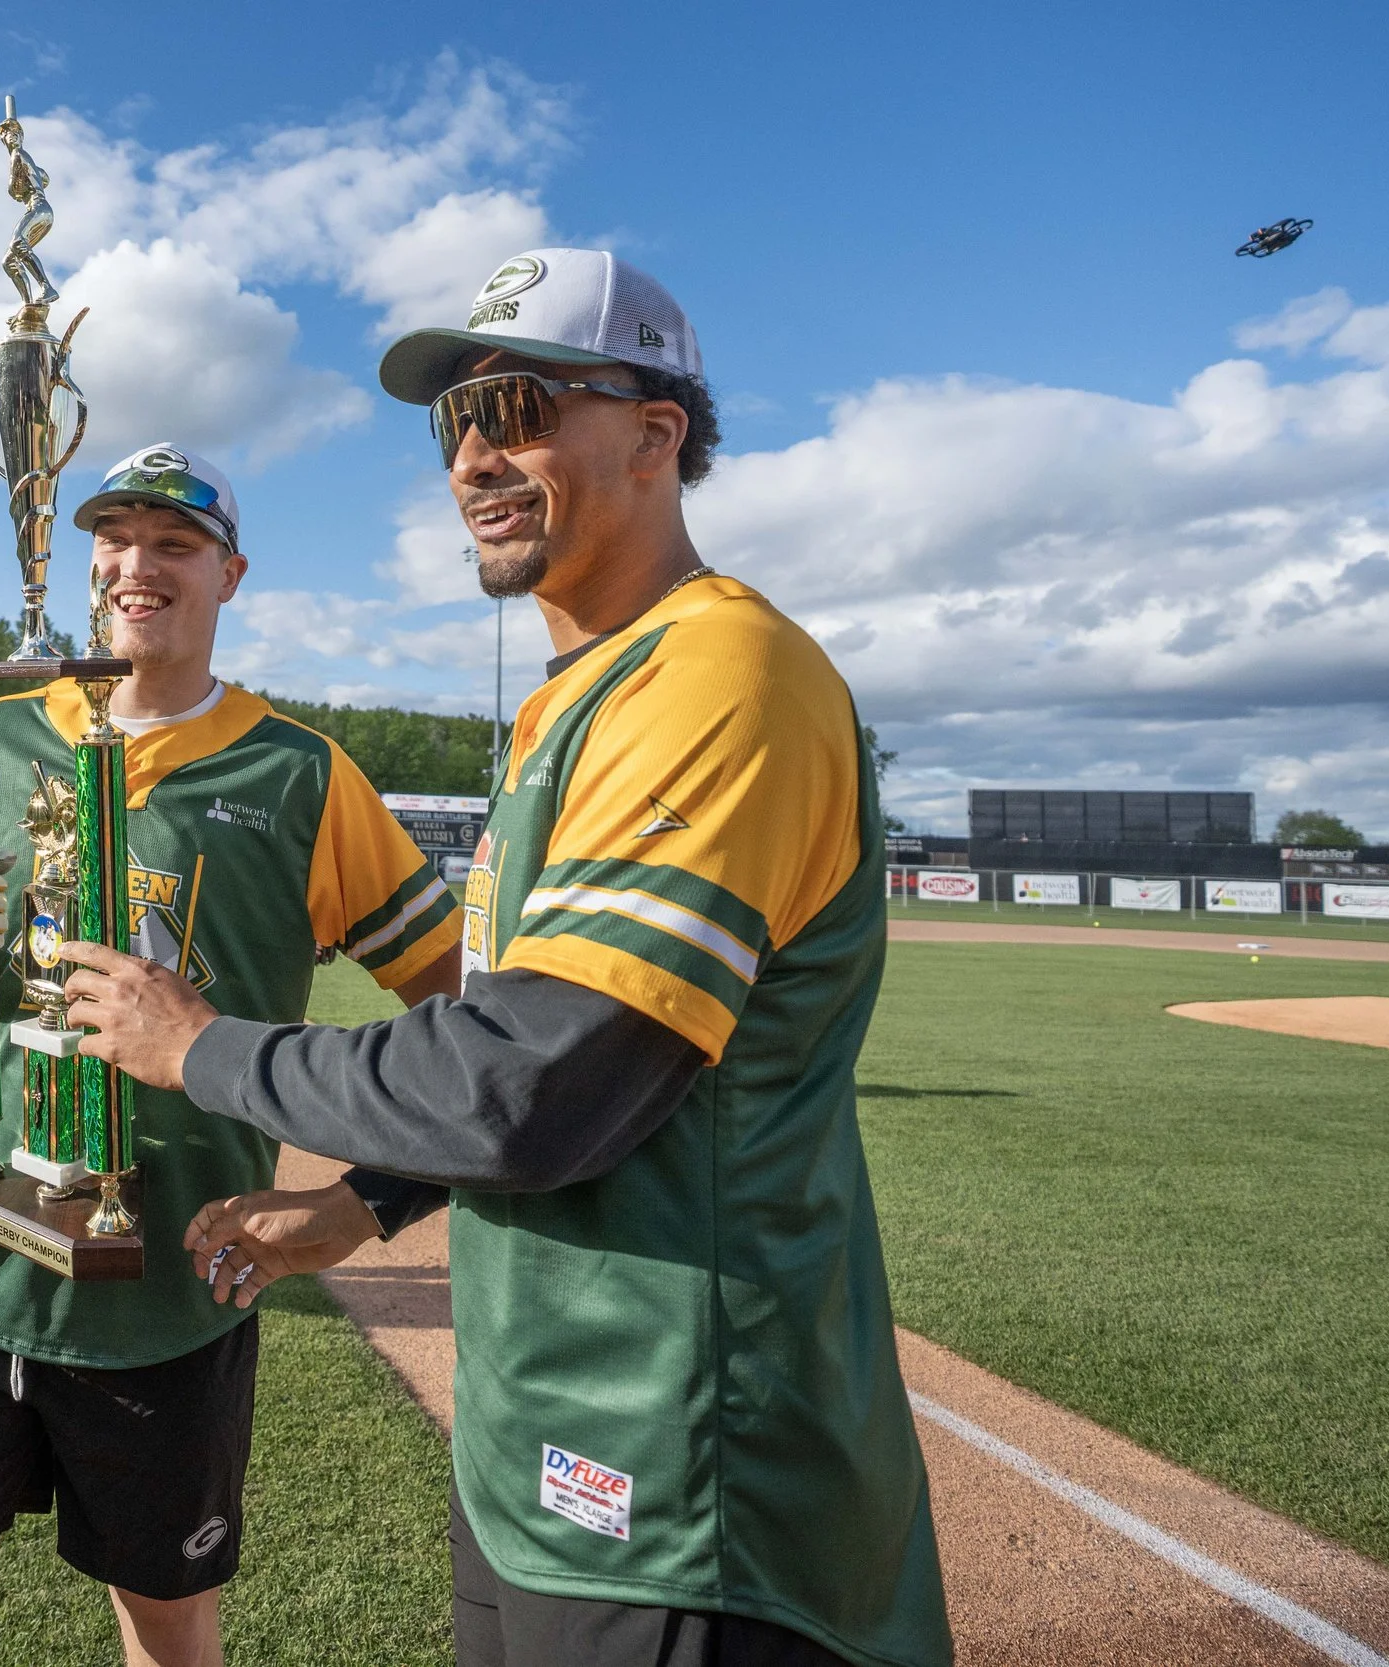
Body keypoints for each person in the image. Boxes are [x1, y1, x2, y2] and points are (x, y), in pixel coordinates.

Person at [60, 250, 955, 1667]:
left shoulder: (717, 674)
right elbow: (531, 1038)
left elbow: (529, 1084)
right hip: (556, 1434)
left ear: (658, 435)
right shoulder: (579, 699)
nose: (478, 451)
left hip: (684, 1474)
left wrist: (201, 1049)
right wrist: (369, 1198)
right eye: (455, 420)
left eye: (524, 403)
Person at [0, 442, 463, 1667]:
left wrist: (366, 1197)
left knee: (169, 1632)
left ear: (229, 573)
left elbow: (458, 1002)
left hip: (169, 1296)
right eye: (115, 539)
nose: (139, 564)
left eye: (175, 543)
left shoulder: (298, 772)